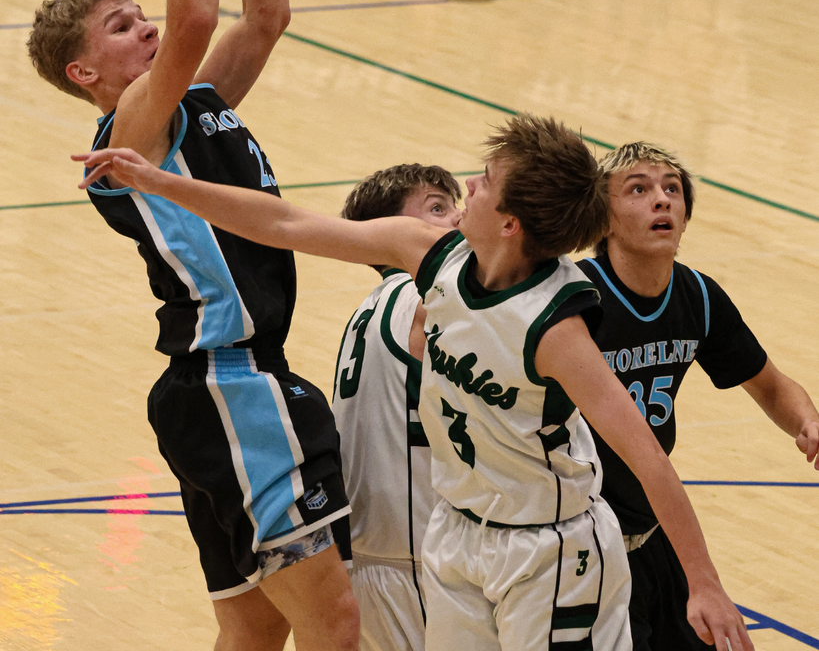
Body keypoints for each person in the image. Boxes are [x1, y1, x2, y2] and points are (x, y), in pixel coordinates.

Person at [76, 114, 755, 651]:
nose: (470, 188)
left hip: (549, 548)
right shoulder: (427, 254)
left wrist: (704, 584)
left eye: (484, 182)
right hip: (457, 535)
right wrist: (162, 183)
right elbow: (283, 223)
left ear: (510, 223)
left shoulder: (554, 328)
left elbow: (646, 458)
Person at [28, 0, 359, 651]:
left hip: (221, 389)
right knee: (339, 628)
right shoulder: (127, 136)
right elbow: (199, 18)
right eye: (122, 27)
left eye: (141, 18)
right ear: (83, 71)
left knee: (251, 636)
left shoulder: (196, 105)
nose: (145, 30)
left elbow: (267, 18)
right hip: (228, 385)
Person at [577, 141, 819, 651]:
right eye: (638, 190)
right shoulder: (574, 298)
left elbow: (771, 384)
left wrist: (807, 422)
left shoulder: (699, 296)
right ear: (603, 221)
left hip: (651, 526)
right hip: (581, 540)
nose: (661, 200)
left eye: (672, 189)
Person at [334, 164, 462, 651]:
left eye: (453, 205)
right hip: (413, 560)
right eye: (436, 208)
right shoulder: (422, 296)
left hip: (375, 555)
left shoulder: (370, 305)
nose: (456, 219)